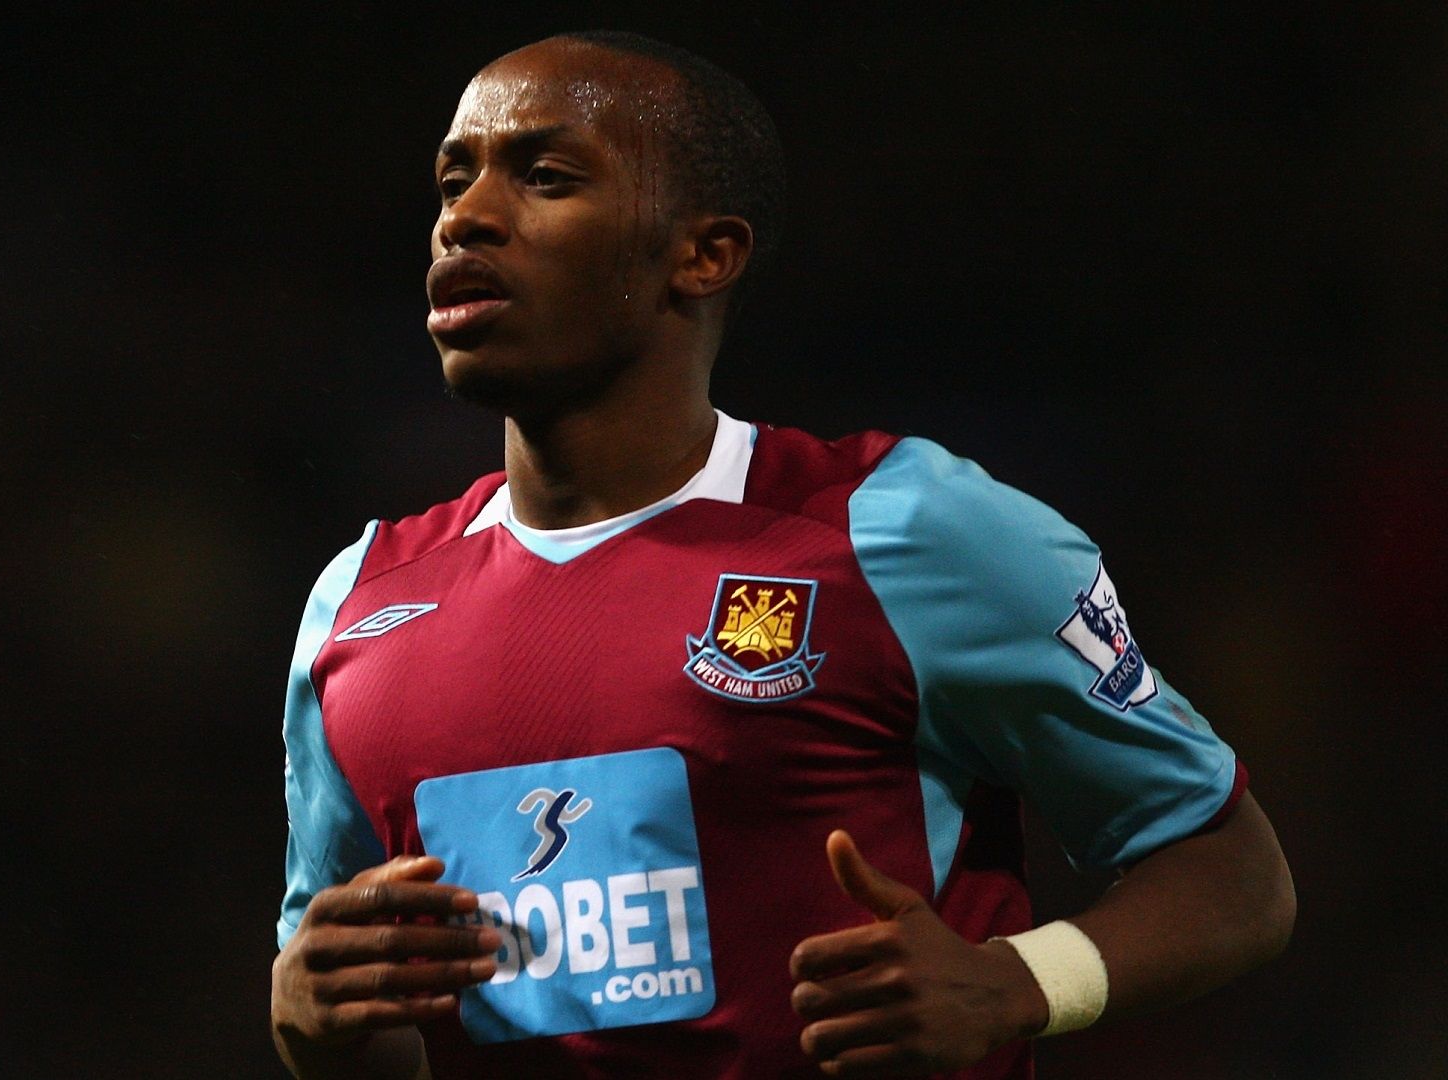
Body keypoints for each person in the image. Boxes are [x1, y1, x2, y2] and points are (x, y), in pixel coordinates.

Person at [269, 30, 1294, 1080]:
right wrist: (307, 1018)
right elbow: (360, 1016)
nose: (466, 216)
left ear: (703, 255)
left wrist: (1017, 983)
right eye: (454, 180)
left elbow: (1233, 871)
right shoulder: (360, 610)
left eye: (545, 177)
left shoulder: (902, 535)